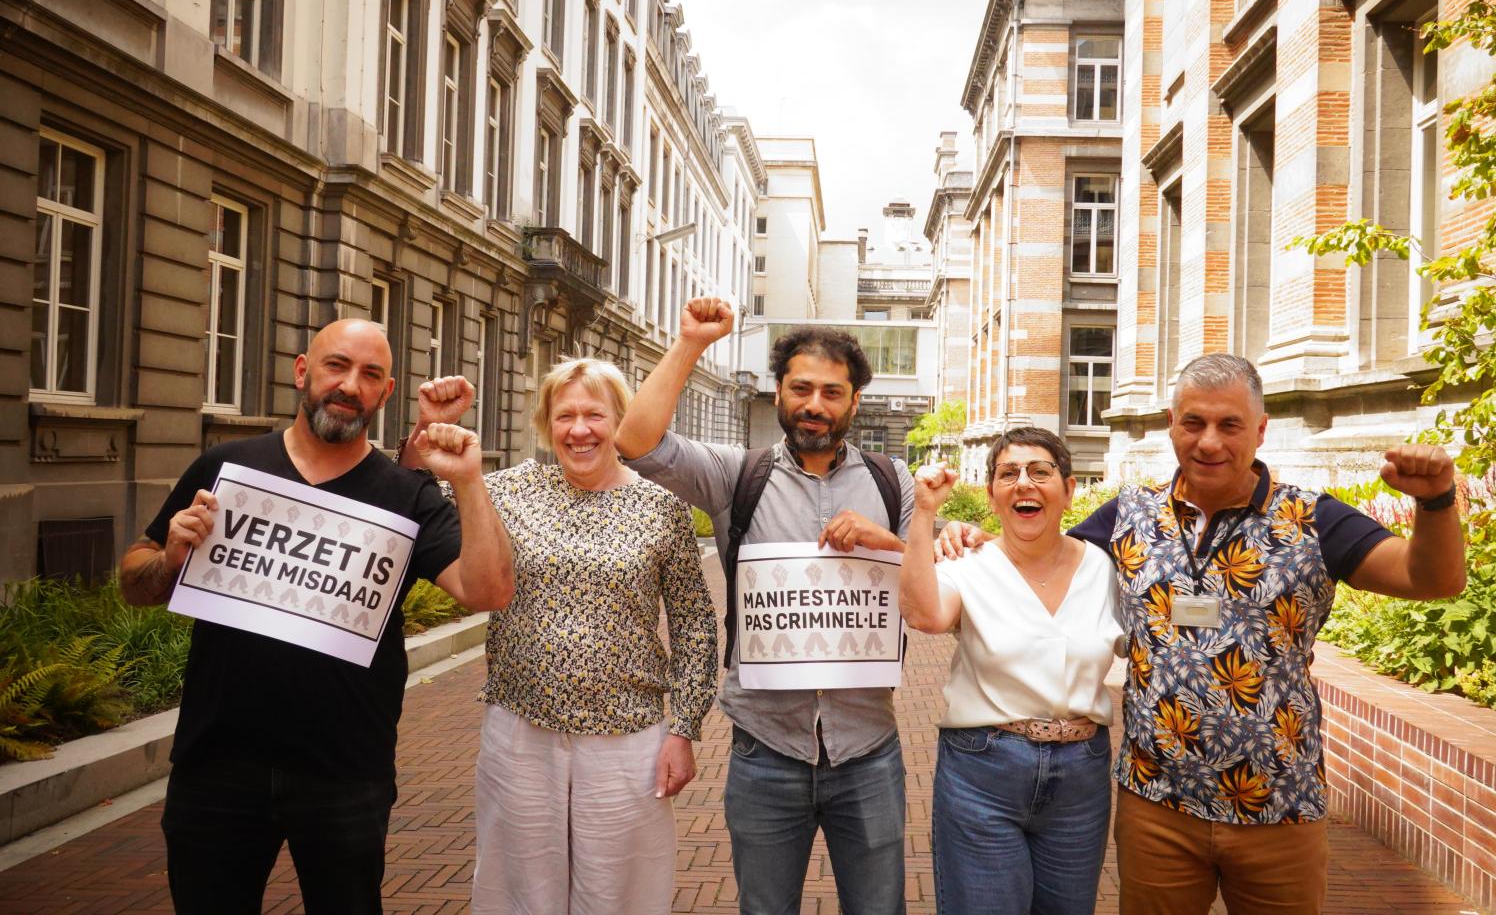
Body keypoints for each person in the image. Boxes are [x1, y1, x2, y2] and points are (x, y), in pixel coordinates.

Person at [942, 353, 1466, 915]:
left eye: (1229, 425)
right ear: (1172, 424)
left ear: (1260, 429)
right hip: (1157, 809)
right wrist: (960, 536)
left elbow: (1431, 579)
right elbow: (1038, 554)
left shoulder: (1313, 519)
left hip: (1278, 807)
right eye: (1193, 423)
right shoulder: (1129, 516)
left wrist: (1434, 501)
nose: (1209, 442)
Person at [118, 318, 514, 915]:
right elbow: (134, 581)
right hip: (217, 763)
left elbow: (488, 590)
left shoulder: (407, 495)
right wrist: (172, 558)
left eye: (370, 375)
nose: (350, 385)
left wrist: (467, 481)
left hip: (345, 772)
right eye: (337, 366)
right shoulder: (227, 467)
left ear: (386, 392)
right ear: (303, 370)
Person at [615, 297, 916, 915]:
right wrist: (691, 343)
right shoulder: (737, 475)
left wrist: (889, 543)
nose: (815, 405)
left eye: (833, 392)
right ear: (778, 392)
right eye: (801, 388)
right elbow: (636, 444)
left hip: (868, 747)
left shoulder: (894, 481)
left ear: (855, 401)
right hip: (766, 749)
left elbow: (928, 593)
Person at [403, 357, 718, 915]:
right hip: (521, 731)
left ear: (619, 420)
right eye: (564, 415)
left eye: (594, 415)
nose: (579, 430)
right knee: (518, 891)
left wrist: (684, 728)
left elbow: (694, 626)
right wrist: (429, 426)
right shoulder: (500, 490)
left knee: (620, 895)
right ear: (546, 424)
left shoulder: (662, 508)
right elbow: (413, 492)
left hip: (628, 737)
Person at [902, 428, 1121, 915]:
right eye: (1008, 474)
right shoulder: (968, 564)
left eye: (1040, 472)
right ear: (992, 495)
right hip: (984, 772)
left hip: (1081, 780)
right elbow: (924, 615)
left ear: (1068, 491)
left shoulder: (1104, 571)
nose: (1024, 483)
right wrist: (926, 515)